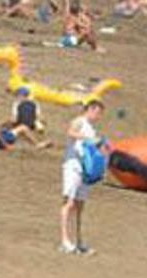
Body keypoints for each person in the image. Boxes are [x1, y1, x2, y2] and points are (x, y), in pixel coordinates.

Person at [60, 100, 104, 255]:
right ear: (90, 110)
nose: (99, 116)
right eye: (98, 112)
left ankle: (78, 241)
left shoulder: (92, 128)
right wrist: (86, 138)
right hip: (73, 165)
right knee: (69, 202)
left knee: (80, 206)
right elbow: (70, 132)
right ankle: (65, 240)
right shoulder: (80, 121)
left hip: (85, 168)